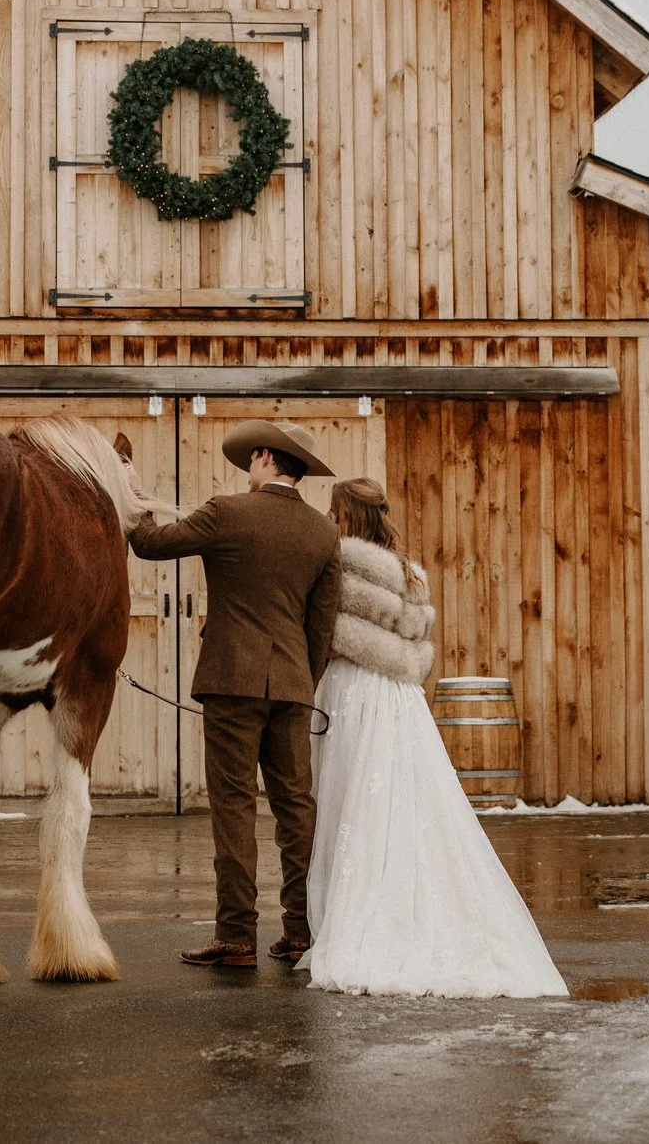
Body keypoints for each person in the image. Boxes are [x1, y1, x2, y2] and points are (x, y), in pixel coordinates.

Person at [302, 477, 566, 997]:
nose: (328, 519)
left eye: (334, 511)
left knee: (347, 800)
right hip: (401, 699)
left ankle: (356, 918)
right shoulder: (410, 574)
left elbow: (326, 635)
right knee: (406, 802)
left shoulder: (341, 565)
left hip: (354, 691)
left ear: (347, 518)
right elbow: (415, 637)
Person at [125, 419, 343, 970]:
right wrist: (302, 680)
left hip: (230, 682)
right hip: (292, 686)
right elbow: (322, 623)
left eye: (251, 458)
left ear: (266, 458)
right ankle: (300, 932)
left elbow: (150, 544)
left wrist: (128, 494)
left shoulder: (227, 512)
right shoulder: (322, 533)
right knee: (297, 809)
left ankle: (236, 935)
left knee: (234, 807)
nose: (247, 468)